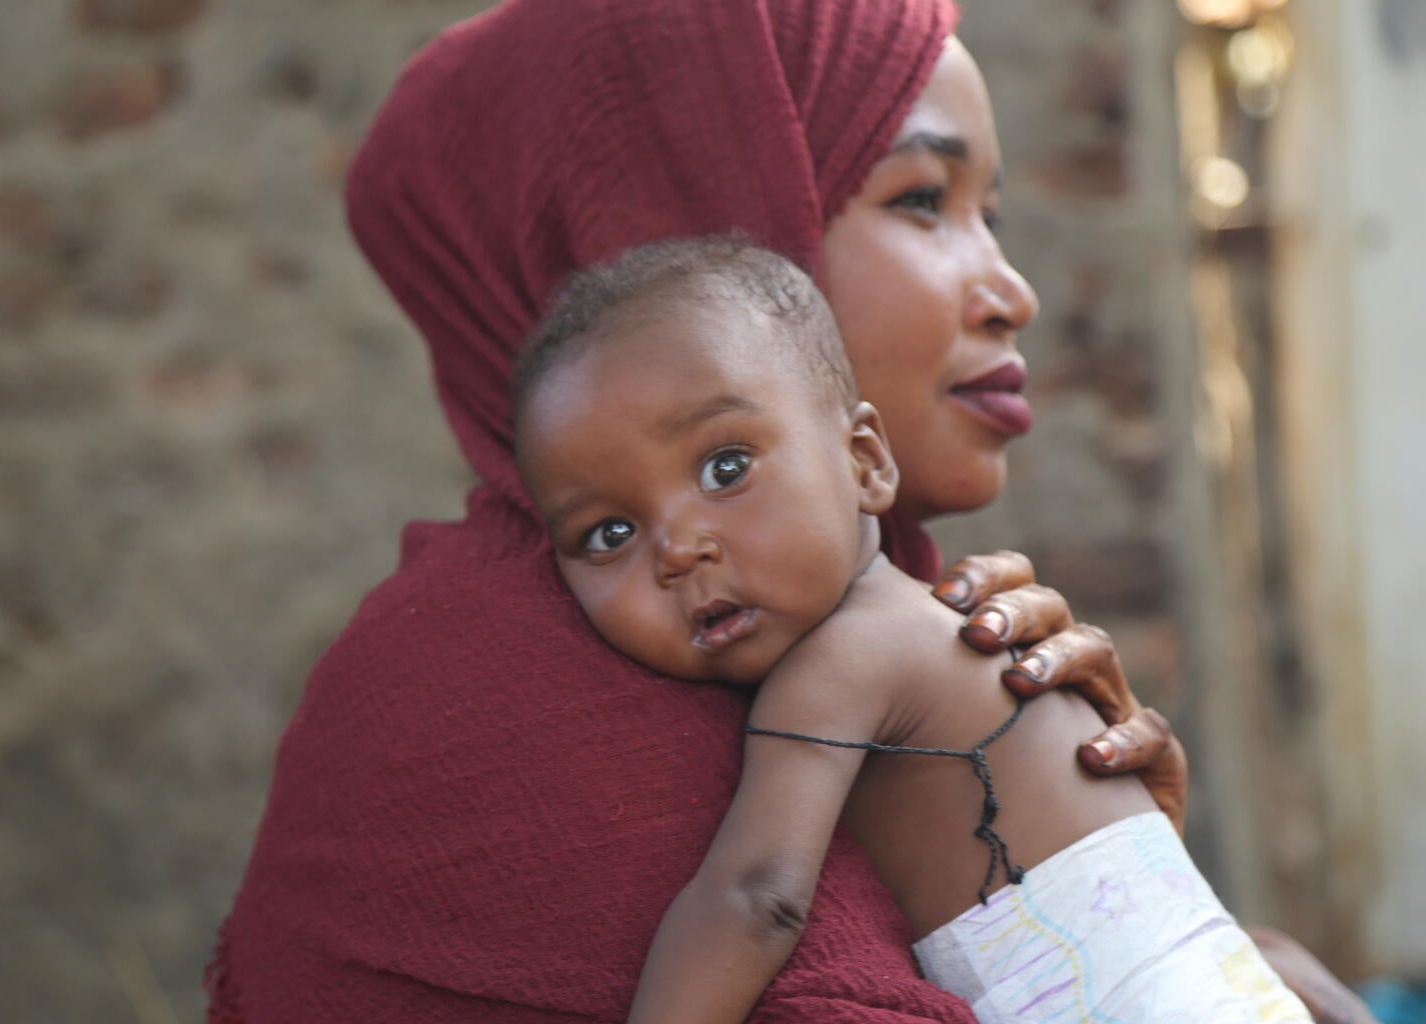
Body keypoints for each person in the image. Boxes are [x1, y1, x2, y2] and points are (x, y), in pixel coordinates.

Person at [209, 1, 1367, 1021]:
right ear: (687, 214)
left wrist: (1148, 892)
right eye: (923, 199)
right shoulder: (474, 717)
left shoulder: (857, 629)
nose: (1011, 292)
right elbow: (759, 906)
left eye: (993, 213)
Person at [513, 236, 1312, 1023]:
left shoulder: (847, 657)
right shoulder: (931, 630)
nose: (677, 550)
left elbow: (756, 900)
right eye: (610, 534)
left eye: (726, 468)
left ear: (864, 462)